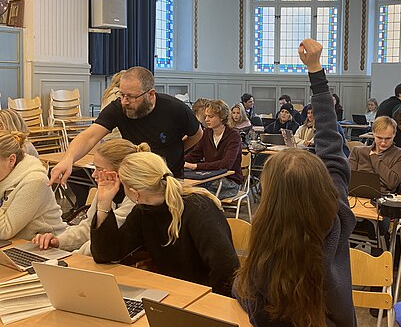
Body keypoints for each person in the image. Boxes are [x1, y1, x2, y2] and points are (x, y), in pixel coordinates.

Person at [234, 39, 356, 326]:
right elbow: (331, 145)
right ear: (321, 185)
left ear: (269, 197)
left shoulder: (265, 246)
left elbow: (244, 295)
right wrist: (315, 69)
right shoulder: (337, 217)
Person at [91, 151, 240, 296]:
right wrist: (104, 204)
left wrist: (198, 300)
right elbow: (107, 254)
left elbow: (226, 270)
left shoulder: (199, 208)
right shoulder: (144, 211)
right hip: (172, 293)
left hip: (204, 298)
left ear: (135, 193)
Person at [49, 66, 202, 184]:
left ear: (150, 94)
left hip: (169, 177)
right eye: (122, 95)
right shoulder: (118, 108)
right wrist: (68, 159)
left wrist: (177, 149)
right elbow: (90, 136)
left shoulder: (175, 108)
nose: (124, 101)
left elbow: (197, 134)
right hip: (135, 176)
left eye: (131, 97)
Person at [33, 139, 144, 255]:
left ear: (119, 172)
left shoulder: (136, 198)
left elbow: (103, 237)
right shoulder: (108, 187)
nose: (93, 174)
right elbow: (89, 226)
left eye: (99, 169)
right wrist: (59, 241)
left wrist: (73, 257)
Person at [0, 131, 66, 240]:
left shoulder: (35, 180)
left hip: (47, 247)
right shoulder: (4, 175)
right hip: (17, 245)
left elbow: (4, 231)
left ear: (11, 160)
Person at [184, 100, 243, 199]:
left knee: (195, 193)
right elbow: (194, 155)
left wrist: (196, 166)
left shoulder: (234, 136)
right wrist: (177, 161)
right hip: (211, 177)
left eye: (211, 117)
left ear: (222, 117)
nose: (206, 119)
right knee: (186, 188)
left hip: (230, 181)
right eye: (206, 116)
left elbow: (226, 164)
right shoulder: (206, 133)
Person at [349, 116, 401, 193]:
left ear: (394, 134)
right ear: (373, 133)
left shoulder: (400, 154)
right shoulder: (358, 152)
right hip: (356, 196)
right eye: (379, 138)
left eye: (388, 138)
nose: (383, 142)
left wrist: (374, 157)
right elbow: (349, 179)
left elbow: (392, 183)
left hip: (383, 199)